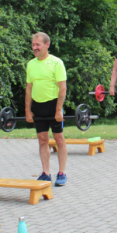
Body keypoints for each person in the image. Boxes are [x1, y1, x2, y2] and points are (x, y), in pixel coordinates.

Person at [26, 32, 68, 187]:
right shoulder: (31, 64)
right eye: (33, 45)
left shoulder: (56, 63)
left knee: (59, 139)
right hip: (38, 106)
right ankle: (46, 173)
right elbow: (29, 89)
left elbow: (62, 88)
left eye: (38, 44)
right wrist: (28, 110)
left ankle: (62, 172)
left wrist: (58, 110)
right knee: (42, 140)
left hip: (53, 105)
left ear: (47, 45)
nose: (34, 47)